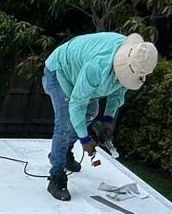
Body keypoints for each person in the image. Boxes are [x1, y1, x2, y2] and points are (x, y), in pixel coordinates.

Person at [42, 32, 157, 202]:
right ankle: (56, 176)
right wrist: (85, 139)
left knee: (91, 113)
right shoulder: (98, 66)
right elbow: (77, 104)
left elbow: (118, 93)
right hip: (60, 71)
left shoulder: (134, 62)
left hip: (81, 76)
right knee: (65, 125)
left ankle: (64, 153)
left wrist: (108, 120)